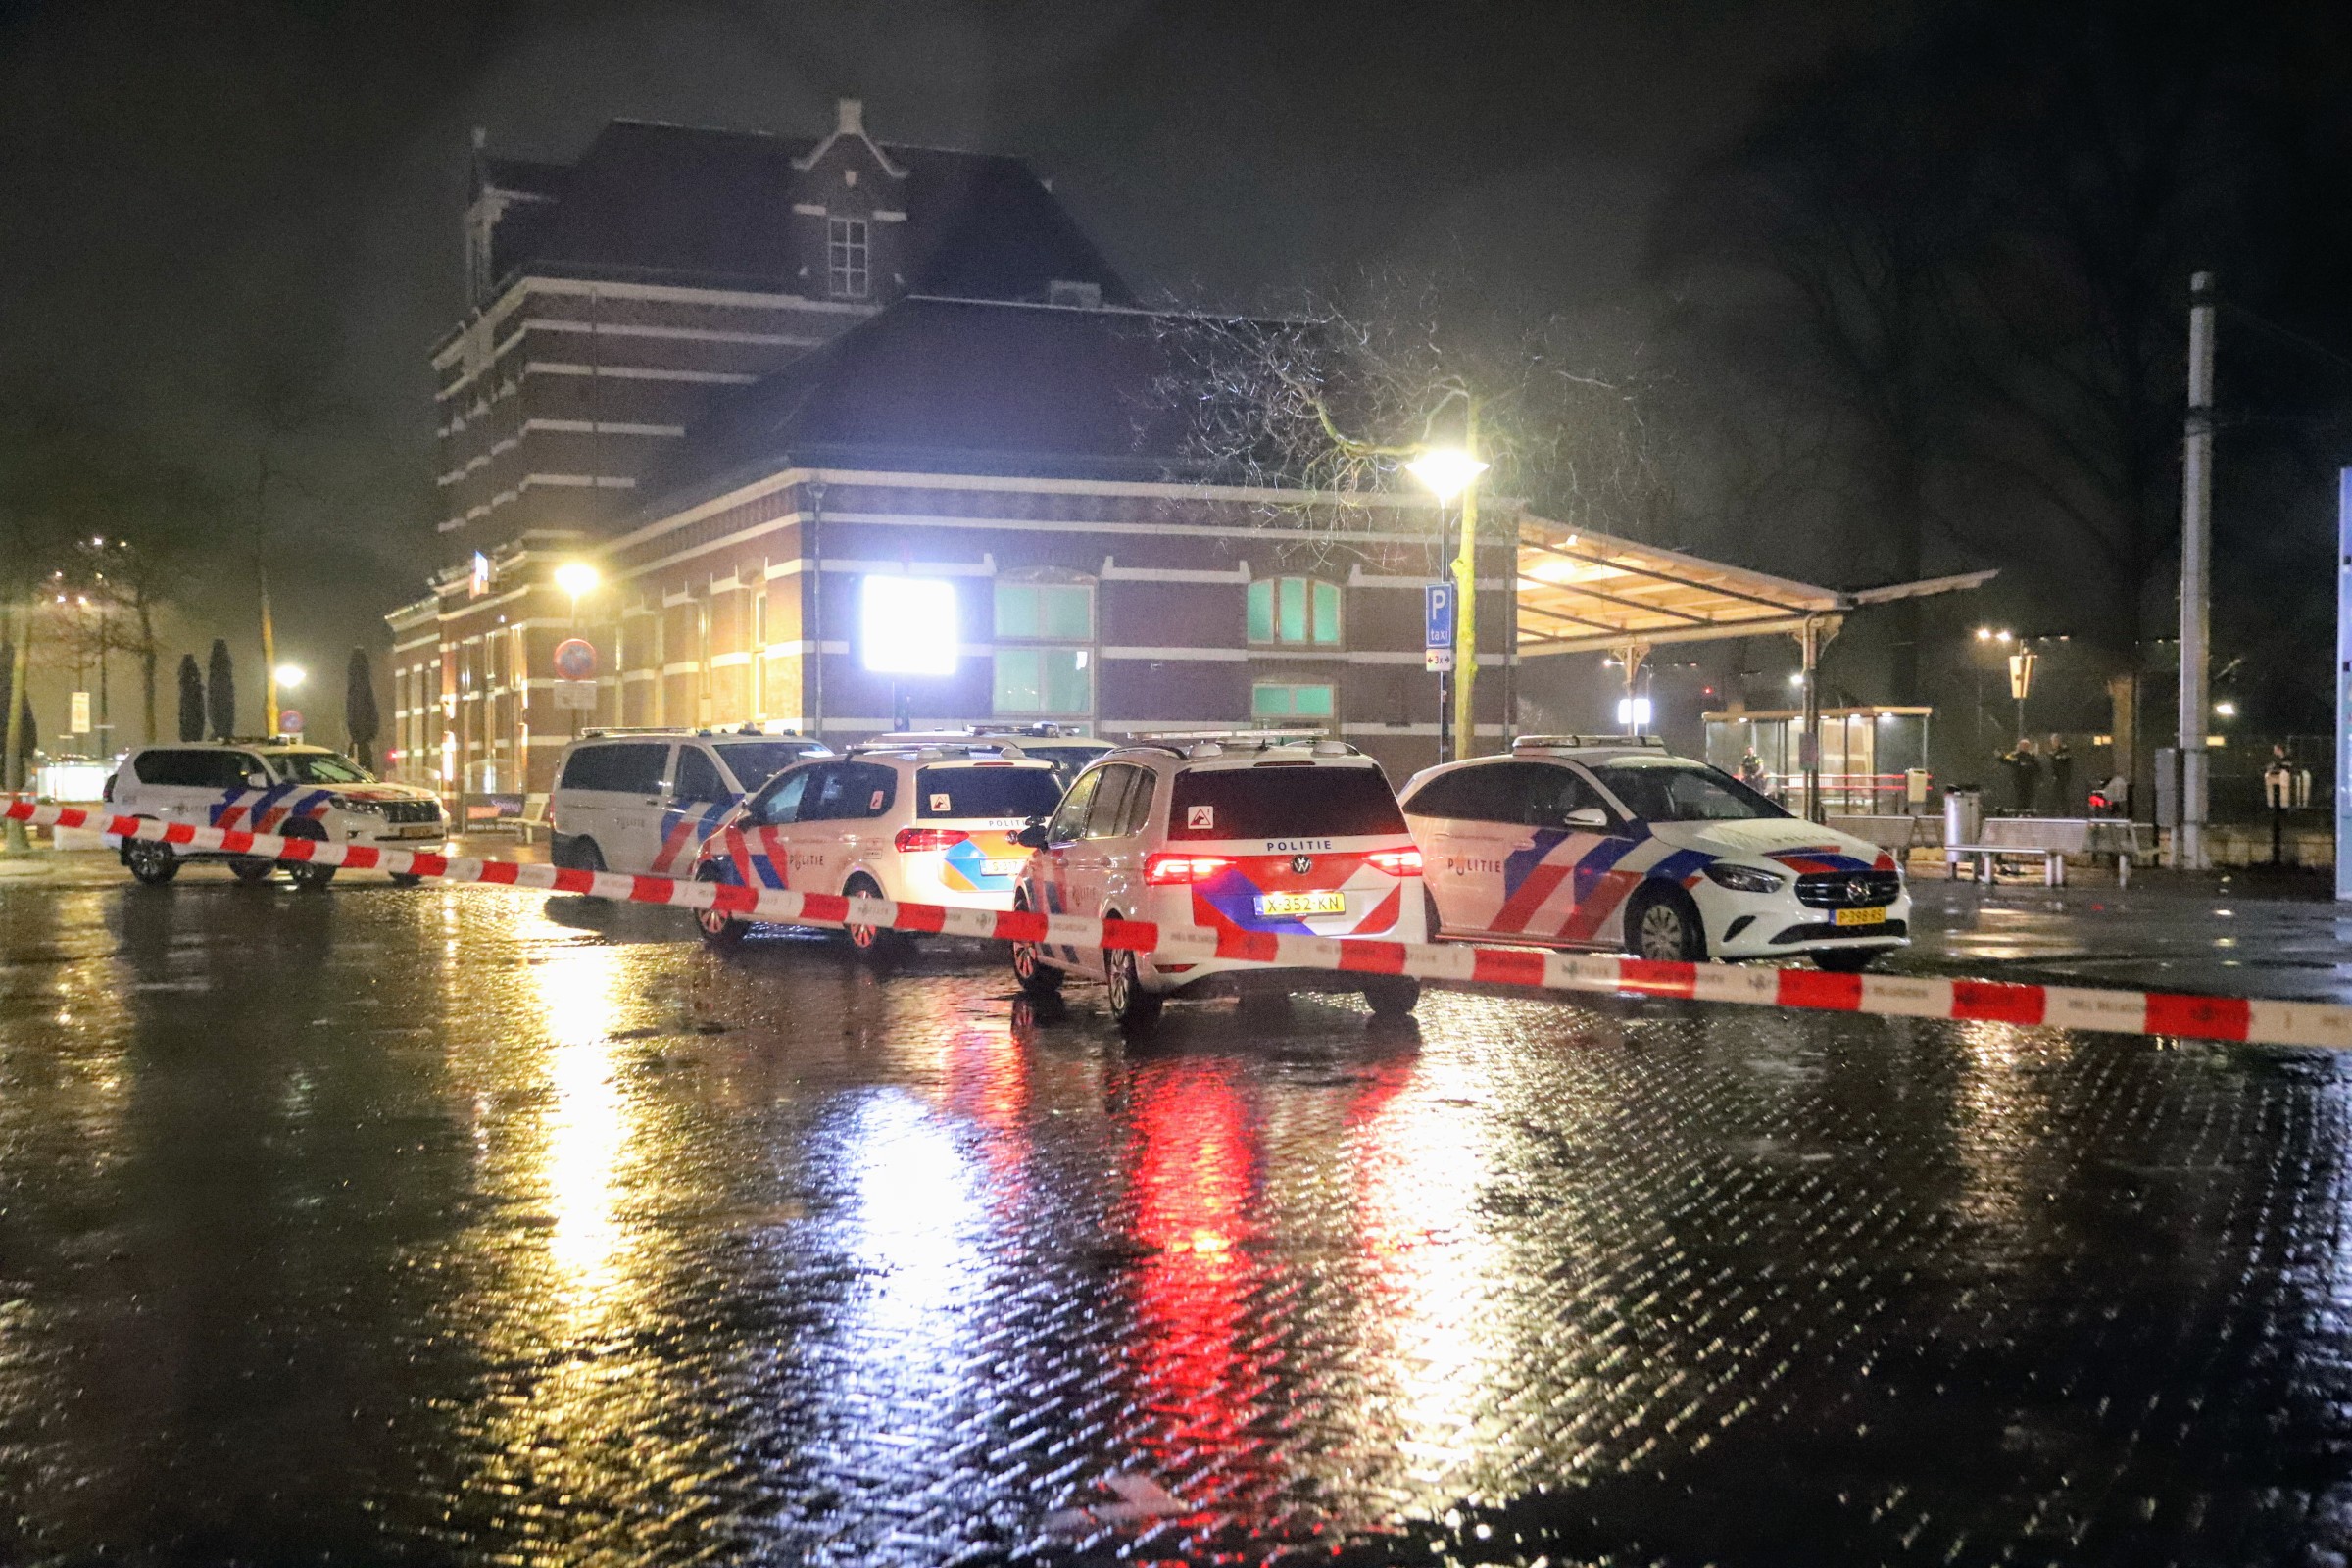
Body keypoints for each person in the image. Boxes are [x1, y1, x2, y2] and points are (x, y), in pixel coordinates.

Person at [1997, 736, 2041, 813]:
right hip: (2018, 781)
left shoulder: (2031, 757)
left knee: (2028, 798)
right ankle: (2018, 813)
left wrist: (2039, 778)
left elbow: (2038, 767)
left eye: (2026, 745)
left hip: (2029, 781)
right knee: (2018, 798)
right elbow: (2005, 759)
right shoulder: (2014, 755)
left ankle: (2027, 813)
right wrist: (1999, 755)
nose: (2024, 747)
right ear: (2019, 746)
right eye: (2023, 745)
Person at [2046, 734, 2074, 815]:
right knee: (2054, 795)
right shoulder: (2052, 752)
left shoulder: (2065, 750)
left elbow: (2063, 759)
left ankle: (2065, 812)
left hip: (2063, 777)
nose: (2054, 743)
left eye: (2056, 741)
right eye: (2053, 741)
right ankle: (2053, 812)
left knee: (2063, 795)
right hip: (2055, 777)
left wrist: (2054, 755)